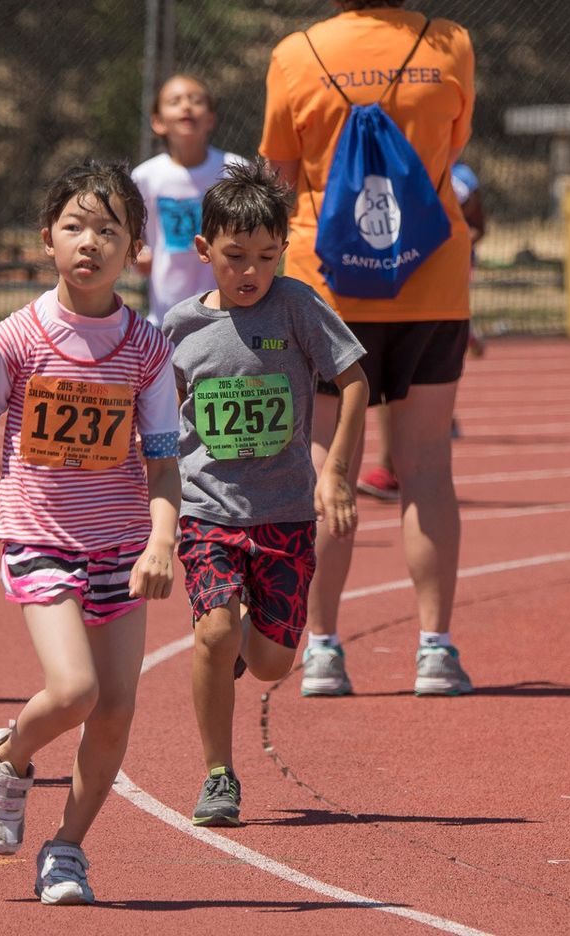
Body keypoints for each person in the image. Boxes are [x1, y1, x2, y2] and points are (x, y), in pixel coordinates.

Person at [0, 160, 181, 905]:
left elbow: (163, 467)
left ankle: (65, 850)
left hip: (123, 545)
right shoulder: (14, 340)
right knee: (74, 691)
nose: (89, 242)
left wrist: (161, 541)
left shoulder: (148, 349)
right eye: (74, 227)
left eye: (109, 229)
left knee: (116, 709)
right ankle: (6, 753)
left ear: (137, 248)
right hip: (39, 536)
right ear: (47, 240)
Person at [260, 0, 477, 696]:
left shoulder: (298, 53)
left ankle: (322, 648)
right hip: (431, 278)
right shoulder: (450, 45)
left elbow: (279, 178)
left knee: (327, 466)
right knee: (428, 468)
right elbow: (451, 150)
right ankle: (435, 649)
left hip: (326, 286)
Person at [162, 159, 367, 825]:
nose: (250, 271)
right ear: (204, 252)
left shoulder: (299, 306)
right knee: (215, 633)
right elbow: (159, 420)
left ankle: (244, 642)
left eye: (264, 257)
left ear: (282, 251)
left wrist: (335, 469)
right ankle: (219, 774)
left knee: (275, 661)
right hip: (206, 511)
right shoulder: (179, 329)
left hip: (283, 514)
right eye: (234, 257)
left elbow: (355, 379)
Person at [358, 159, 486, 500]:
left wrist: (441, 231)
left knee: (412, 379)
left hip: (435, 285)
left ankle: (394, 465)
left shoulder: (459, 177)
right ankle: (389, 466)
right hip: (385, 278)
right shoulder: (377, 163)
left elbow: (478, 224)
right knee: (382, 380)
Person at [132, 74, 245, 329]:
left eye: (195, 100)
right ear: (158, 122)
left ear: (210, 119)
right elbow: (131, 235)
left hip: (229, 314)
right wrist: (138, 254)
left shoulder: (235, 170)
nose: (186, 106)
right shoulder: (145, 177)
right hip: (166, 315)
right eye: (175, 101)